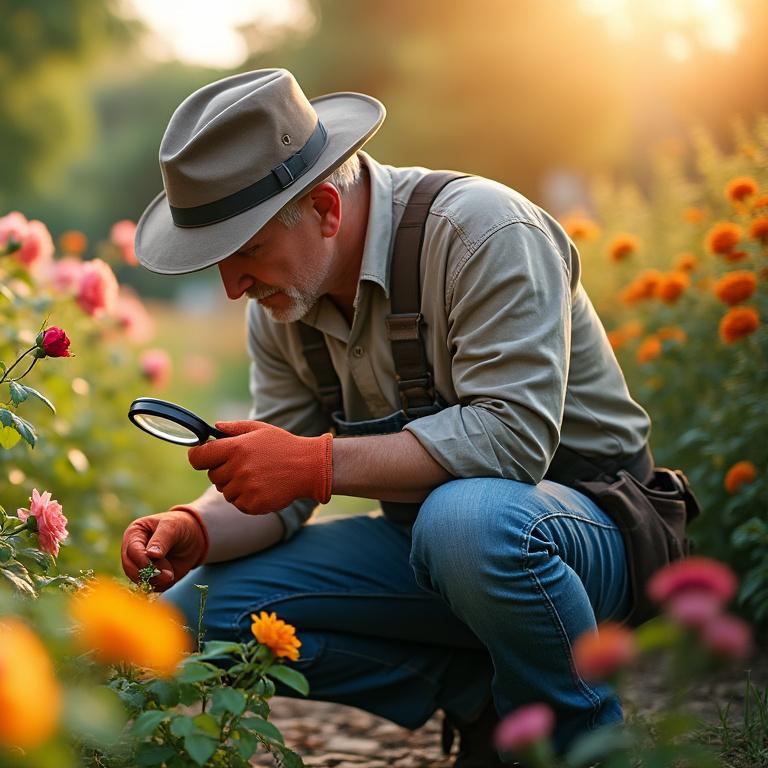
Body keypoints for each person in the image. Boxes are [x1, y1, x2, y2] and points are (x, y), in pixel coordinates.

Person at [121, 68, 667, 767]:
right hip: (433, 551)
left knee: (465, 521)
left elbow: (514, 440)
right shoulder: (284, 302)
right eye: (219, 263)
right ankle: (482, 698)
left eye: (248, 250)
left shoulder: (483, 232)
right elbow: (279, 494)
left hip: (588, 533)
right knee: (187, 617)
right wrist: (196, 526)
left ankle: (579, 741)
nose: (233, 288)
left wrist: (316, 463)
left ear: (324, 208)